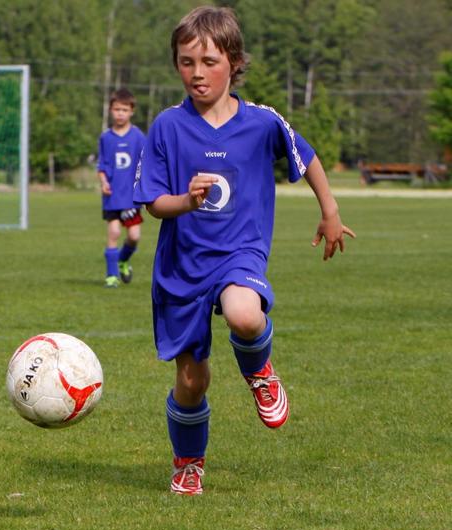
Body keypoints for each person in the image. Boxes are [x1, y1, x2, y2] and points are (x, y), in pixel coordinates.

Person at [132, 6, 355, 496]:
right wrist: (185, 201)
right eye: (186, 62)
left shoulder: (262, 122)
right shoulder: (167, 126)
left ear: (233, 61)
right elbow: (153, 205)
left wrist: (330, 210)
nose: (197, 73)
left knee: (245, 315)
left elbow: (307, 155)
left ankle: (260, 372)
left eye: (208, 62)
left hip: (240, 255)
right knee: (192, 383)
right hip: (182, 267)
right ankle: (189, 462)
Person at [96, 89, 146, 288]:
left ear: (132, 111)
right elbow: (102, 165)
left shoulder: (139, 137)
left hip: (132, 197)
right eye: (117, 109)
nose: (120, 113)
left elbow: (146, 164)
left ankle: (123, 260)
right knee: (114, 233)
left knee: (134, 236)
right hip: (112, 196)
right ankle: (112, 276)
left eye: (124, 110)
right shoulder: (106, 138)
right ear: (110, 110)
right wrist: (103, 182)